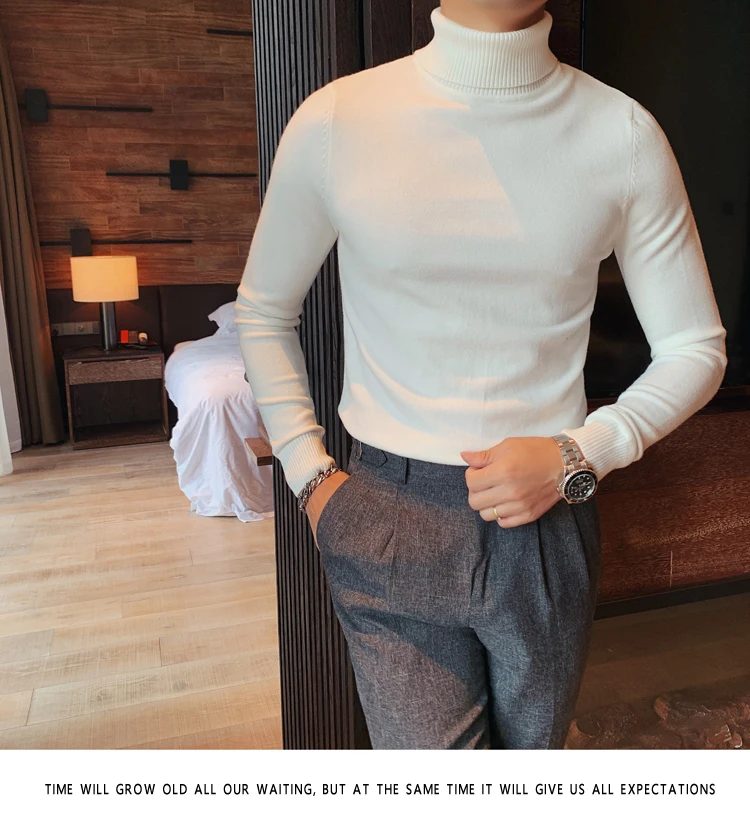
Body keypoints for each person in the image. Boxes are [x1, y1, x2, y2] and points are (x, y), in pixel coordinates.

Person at [234, 0, 727, 749]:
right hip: (385, 513)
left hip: (548, 517)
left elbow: (696, 347)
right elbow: (264, 311)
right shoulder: (338, 120)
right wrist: (309, 477)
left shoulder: (621, 134)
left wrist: (581, 454)